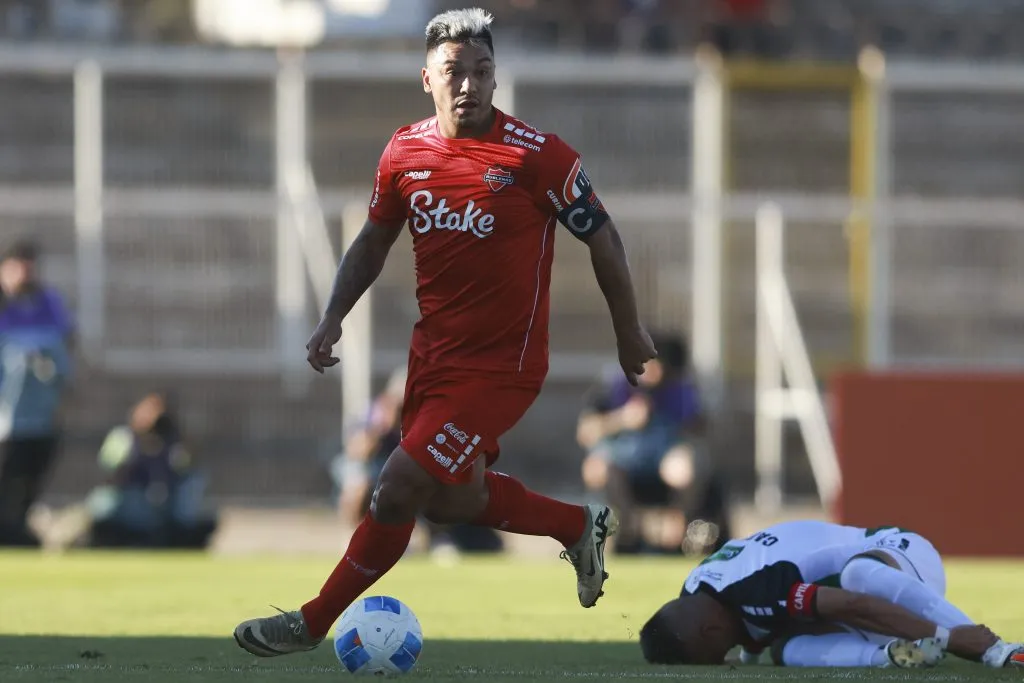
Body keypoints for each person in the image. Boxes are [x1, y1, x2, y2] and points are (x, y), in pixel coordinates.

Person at [234, 7, 656, 657]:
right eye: (455, 72)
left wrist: (628, 331)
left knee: (398, 483)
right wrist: (332, 315)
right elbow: (375, 239)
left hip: (503, 368)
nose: (469, 84)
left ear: (495, 78)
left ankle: (311, 622)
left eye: (482, 72)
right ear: (426, 77)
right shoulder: (405, 150)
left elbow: (603, 236)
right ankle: (578, 523)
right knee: (453, 503)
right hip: (432, 359)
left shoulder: (537, 156)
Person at [639, 520, 1024, 669]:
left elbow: (853, 603)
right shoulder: (694, 592)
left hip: (900, 554)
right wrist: (754, 651)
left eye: (711, 657)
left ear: (708, 632)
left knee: (857, 574)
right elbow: (751, 622)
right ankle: (889, 656)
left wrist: (947, 639)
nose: (720, 663)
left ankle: (992, 648)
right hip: (866, 600)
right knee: (785, 651)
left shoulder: (756, 588)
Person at [576, 332, 730, 555]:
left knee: (682, 466)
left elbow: (698, 434)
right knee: (597, 467)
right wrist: (622, 418)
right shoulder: (615, 385)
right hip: (621, 460)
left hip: (659, 462)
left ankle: (677, 523)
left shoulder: (678, 391)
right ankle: (626, 528)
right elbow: (586, 432)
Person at [331, 367, 502, 555]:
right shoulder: (374, 413)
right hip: (373, 471)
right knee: (359, 483)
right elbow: (357, 451)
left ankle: (436, 540)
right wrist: (382, 429)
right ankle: (360, 538)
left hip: (410, 475)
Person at [0, 238, 74, 547]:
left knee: (30, 475)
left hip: (40, 415)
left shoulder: (47, 301)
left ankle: (16, 527)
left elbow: (64, 345)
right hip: (6, 418)